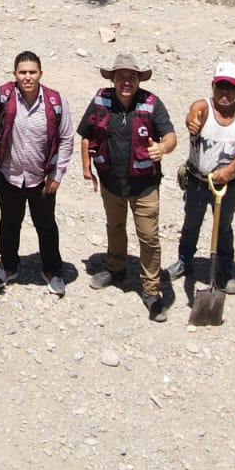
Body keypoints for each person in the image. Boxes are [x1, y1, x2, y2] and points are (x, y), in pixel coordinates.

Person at [77, 52, 177, 320]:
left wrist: (163, 148)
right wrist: (86, 168)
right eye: (120, 76)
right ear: (112, 79)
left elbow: (170, 135)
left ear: (139, 80)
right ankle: (115, 268)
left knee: (149, 237)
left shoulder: (151, 103)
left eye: (131, 77)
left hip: (145, 184)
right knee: (115, 226)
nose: (126, 81)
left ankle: (151, 289)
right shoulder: (100, 99)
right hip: (111, 181)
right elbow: (86, 134)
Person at [0, 51, 74, 296]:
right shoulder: (4, 93)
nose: (27, 77)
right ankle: (8, 266)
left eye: (32, 72)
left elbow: (66, 138)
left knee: (46, 225)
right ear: (15, 74)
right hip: (8, 174)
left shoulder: (55, 101)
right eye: (22, 72)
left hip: (42, 178)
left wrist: (57, 174)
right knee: (9, 222)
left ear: (41, 73)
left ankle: (52, 270)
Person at [166, 62, 235, 293]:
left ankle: (225, 269)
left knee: (223, 227)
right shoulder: (202, 107)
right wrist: (191, 122)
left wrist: (231, 168)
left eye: (230, 88)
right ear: (212, 86)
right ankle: (185, 261)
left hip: (225, 185)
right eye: (220, 86)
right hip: (197, 181)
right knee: (191, 223)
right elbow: (192, 117)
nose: (224, 92)